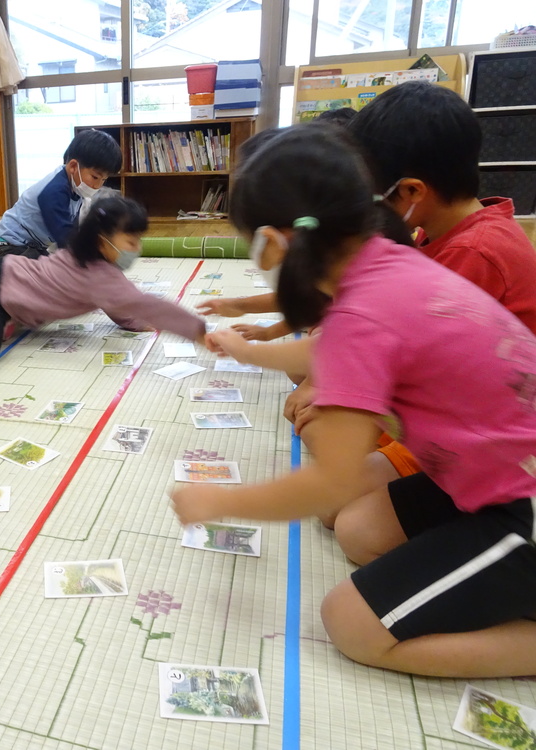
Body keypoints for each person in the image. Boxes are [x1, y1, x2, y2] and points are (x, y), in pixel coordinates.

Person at [171, 125, 536, 678]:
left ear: (274, 241)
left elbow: (333, 479)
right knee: (359, 531)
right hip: (479, 477)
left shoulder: (360, 316)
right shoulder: (390, 262)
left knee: (349, 622)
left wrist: (219, 502)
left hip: (522, 507)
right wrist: (248, 351)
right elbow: (332, 354)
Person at [287, 82, 536, 490]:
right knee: (308, 366)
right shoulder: (430, 230)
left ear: (411, 191)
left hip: (470, 430)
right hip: (434, 399)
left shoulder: (475, 252)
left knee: (348, 517)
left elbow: (402, 351)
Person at [0, 195, 209, 356]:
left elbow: (118, 303)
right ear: (102, 242)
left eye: (138, 240)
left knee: (2, 328)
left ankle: (3, 316)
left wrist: (133, 322)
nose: (137, 248)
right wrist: (199, 332)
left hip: (10, 279)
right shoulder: (100, 275)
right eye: (131, 241)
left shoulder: (93, 262)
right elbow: (146, 304)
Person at [0, 129, 122, 259]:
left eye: (104, 179)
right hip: (8, 246)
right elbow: (64, 237)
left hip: (31, 246)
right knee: (56, 273)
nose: (98, 185)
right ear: (73, 167)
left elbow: (72, 230)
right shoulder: (54, 191)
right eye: (95, 177)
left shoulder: (75, 186)